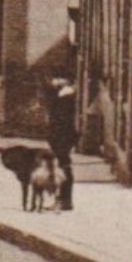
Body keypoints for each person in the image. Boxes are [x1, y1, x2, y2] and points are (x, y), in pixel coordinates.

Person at [47, 74, 78, 211]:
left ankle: (64, 200)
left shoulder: (66, 98)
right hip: (61, 137)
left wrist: (56, 138)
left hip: (62, 137)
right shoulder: (62, 96)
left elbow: (62, 121)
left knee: (63, 167)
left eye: (58, 78)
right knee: (62, 166)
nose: (54, 81)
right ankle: (63, 199)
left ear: (66, 81)